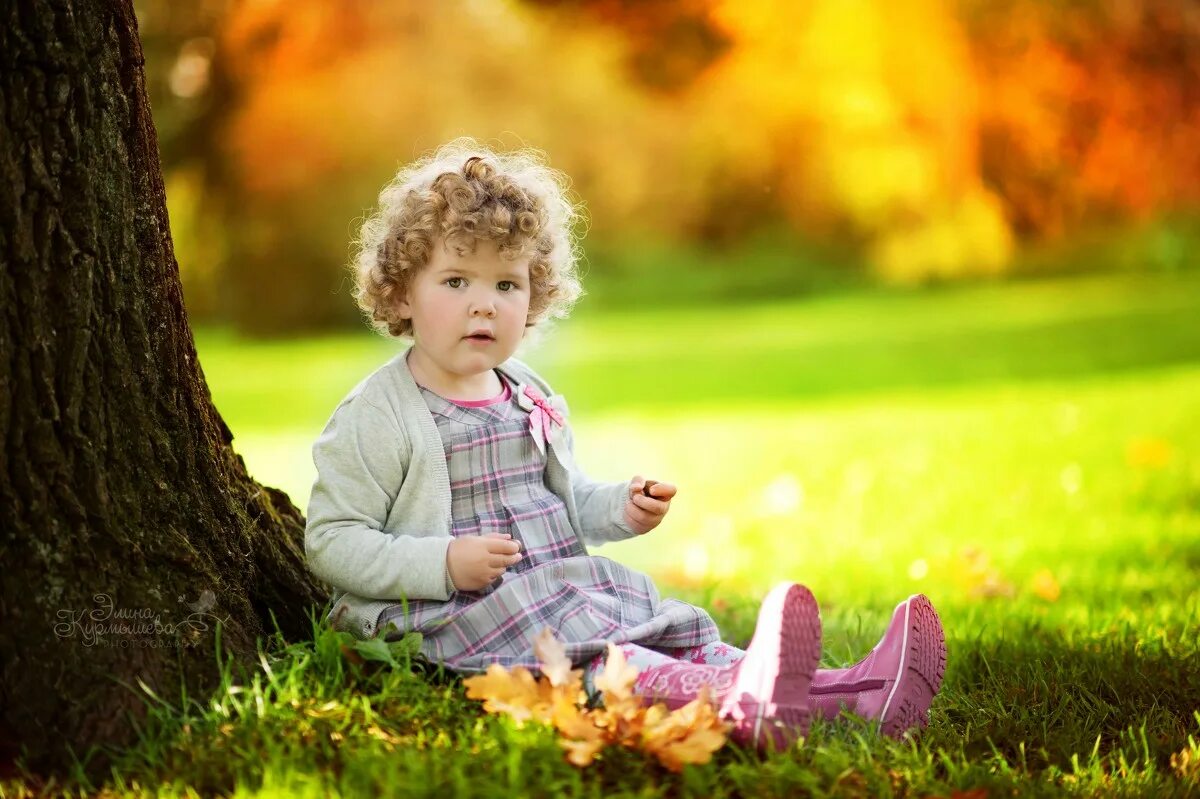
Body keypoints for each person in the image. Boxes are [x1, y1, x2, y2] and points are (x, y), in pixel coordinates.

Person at [304, 138, 946, 752]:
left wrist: (619, 507)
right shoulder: (380, 414)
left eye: (506, 285)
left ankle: (853, 692)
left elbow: (557, 501)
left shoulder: (525, 389)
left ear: (534, 298)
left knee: (670, 634)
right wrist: (441, 562)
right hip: (463, 614)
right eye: (456, 281)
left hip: (558, 587)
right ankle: (741, 703)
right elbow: (332, 539)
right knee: (615, 662)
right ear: (400, 292)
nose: (485, 307)